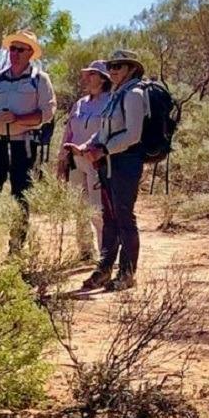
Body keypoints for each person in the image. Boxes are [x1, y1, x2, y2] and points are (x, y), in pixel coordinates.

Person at [79, 49, 150, 290]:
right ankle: (104, 269)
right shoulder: (116, 95)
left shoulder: (134, 95)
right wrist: (90, 145)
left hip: (126, 162)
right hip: (110, 162)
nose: (113, 70)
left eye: (119, 66)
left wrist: (104, 150)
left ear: (131, 69)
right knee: (109, 217)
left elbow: (133, 134)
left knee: (123, 216)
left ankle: (127, 273)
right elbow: (105, 129)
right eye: (111, 66)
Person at [0, 29, 57, 206]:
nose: (15, 54)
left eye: (20, 50)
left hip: (24, 144)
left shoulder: (40, 80)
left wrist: (17, 119)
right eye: (12, 49)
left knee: (22, 195)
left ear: (31, 53)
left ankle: (18, 233)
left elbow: (47, 114)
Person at [57, 60, 112, 243]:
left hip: (96, 162)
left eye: (92, 74)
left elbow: (107, 132)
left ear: (104, 79)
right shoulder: (80, 104)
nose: (86, 78)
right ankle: (85, 250)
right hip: (75, 162)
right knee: (79, 207)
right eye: (86, 74)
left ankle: (105, 255)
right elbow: (68, 132)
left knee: (97, 209)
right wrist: (62, 159)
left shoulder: (110, 102)